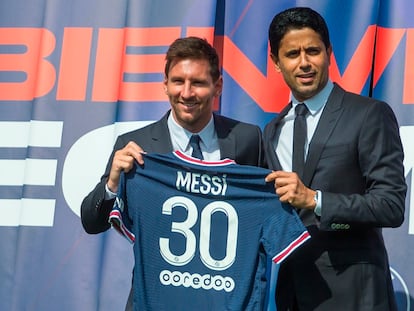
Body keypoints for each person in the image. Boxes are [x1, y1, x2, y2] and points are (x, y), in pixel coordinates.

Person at [80, 36, 265, 311]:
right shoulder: (135, 146)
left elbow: (261, 216)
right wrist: (112, 183)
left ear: (218, 86)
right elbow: (92, 222)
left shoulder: (247, 139)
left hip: (224, 301)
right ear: (165, 84)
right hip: (155, 301)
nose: (187, 93)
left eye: (199, 83)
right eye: (178, 81)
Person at [263, 7, 406, 311]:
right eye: (292, 54)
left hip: (356, 293)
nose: (304, 63)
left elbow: (391, 205)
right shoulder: (272, 131)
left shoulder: (368, 115)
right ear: (276, 62)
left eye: (313, 51)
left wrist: (316, 199)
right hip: (292, 295)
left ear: (329, 52)